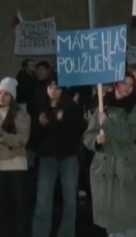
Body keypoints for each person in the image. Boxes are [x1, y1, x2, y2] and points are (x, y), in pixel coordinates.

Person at [83, 74, 136, 237]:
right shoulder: (103, 106)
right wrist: (97, 141)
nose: (128, 87)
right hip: (105, 170)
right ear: (116, 85)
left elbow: (132, 133)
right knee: (112, 222)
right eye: (124, 83)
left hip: (125, 168)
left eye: (131, 84)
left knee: (129, 220)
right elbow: (88, 135)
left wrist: (108, 125)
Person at [32, 81, 86, 237]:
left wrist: (64, 120)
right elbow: (35, 138)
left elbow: (78, 131)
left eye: (57, 87)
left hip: (68, 156)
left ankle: (66, 233)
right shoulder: (41, 107)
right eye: (50, 87)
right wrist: (42, 125)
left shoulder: (71, 107)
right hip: (48, 157)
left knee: (70, 199)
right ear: (46, 89)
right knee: (43, 199)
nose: (53, 90)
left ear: (62, 89)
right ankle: (40, 233)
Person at [0, 76, 31, 237]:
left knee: (19, 210)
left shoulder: (21, 115)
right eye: (0, 93)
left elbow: (21, 139)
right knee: (3, 212)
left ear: (12, 96)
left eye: (6, 93)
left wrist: (2, 136)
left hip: (16, 167)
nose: (1, 96)